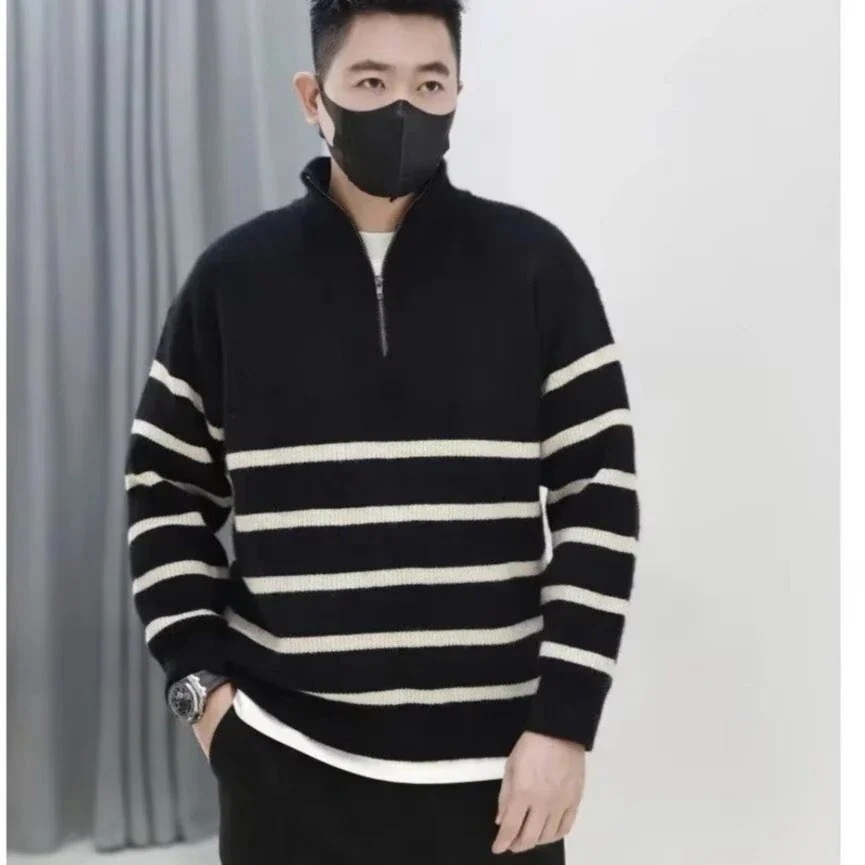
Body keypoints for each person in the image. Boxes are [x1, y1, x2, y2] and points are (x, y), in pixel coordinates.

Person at [124, 1, 640, 862]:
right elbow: (164, 492)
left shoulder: (536, 267)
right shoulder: (232, 281)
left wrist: (564, 725)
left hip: (499, 783)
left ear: (458, 92)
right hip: (284, 771)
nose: (403, 109)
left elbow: (598, 498)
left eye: (428, 84)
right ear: (312, 96)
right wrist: (206, 698)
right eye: (370, 81)